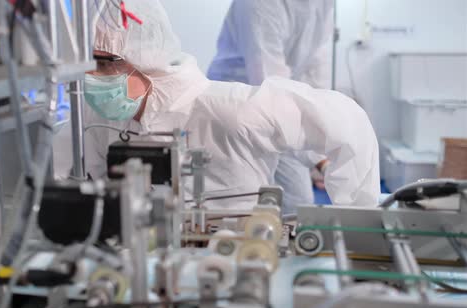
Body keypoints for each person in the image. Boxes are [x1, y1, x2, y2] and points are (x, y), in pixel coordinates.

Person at [72, 0, 379, 210]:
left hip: (246, 115)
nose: (89, 78)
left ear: (145, 59)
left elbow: (342, 115)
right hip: (251, 84)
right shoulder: (98, 117)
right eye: (86, 62)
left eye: (102, 63)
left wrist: (352, 218)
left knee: (297, 204)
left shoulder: (232, 112)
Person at [207, 0, 335, 214]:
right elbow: (270, 83)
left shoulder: (323, 4)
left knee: (298, 205)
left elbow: (315, 72)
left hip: (281, 107)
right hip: (236, 113)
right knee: (239, 207)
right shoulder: (259, 4)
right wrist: (319, 160)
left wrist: (321, 144)